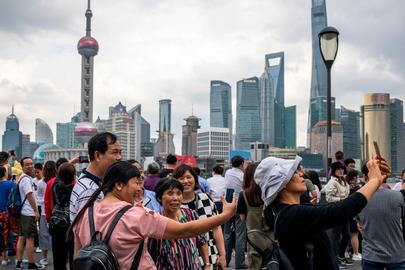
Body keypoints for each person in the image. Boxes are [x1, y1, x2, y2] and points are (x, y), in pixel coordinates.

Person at [70, 161, 237, 270]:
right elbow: (183, 230)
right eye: (136, 182)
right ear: (119, 185)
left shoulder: (85, 213)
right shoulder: (135, 215)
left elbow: (79, 256)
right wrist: (225, 215)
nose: (139, 188)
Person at [255, 155, 390, 270]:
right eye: (294, 172)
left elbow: (340, 206)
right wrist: (373, 180)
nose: (301, 174)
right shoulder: (291, 214)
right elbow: (340, 211)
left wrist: (375, 181)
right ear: (281, 183)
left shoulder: (283, 212)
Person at [174, 164, 227, 269]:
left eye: (189, 177)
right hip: (184, 257)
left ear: (195, 179)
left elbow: (216, 228)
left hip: (210, 254)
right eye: (181, 178)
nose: (185, 181)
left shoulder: (205, 199)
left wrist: (222, 255)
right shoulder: (174, 204)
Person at [150, 178, 210, 269]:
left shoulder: (191, 214)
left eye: (179, 193)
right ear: (159, 197)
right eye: (170, 193)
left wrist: (207, 264)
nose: (175, 198)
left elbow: (202, 241)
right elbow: (150, 253)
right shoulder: (155, 222)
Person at [357, 164, 405, 270]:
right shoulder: (398, 196)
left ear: (365, 176)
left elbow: (360, 226)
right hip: (396, 254)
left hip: (370, 255)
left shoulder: (357, 199)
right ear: (383, 176)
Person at [70, 132, 121, 222]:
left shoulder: (89, 182)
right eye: (114, 152)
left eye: (120, 152)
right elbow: (88, 231)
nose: (119, 157)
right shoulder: (89, 191)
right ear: (97, 155)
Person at [237, 164, 270, 270]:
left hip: (253, 239)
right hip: (270, 237)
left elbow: (242, 217)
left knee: (255, 265)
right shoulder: (269, 192)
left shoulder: (244, 195)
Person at [16, 157, 44, 270]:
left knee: (22, 237)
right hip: (28, 212)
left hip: (23, 212)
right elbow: (30, 195)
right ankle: (31, 264)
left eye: (31, 164)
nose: (30, 166)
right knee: (30, 239)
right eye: (27, 164)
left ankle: (19, 263)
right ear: (22, 166)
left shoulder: (22, 178)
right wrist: (36, 211)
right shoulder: (27, 179)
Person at [323, 161, 352, 267]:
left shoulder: (344, 182)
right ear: (334, 171)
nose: (341, 171)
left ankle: (340, 256)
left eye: (342, 169)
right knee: (334, 237)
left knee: (346, 236)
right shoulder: (332, 182)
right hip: (335, 211)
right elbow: (328, 198)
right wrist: (342, 198)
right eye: (338, 169)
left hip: (344, 212)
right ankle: (334, 260)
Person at [224, 155, 247, 269]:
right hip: (239, 206)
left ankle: (225, 260)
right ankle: (240, 264)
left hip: (228, 205)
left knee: (227, 234)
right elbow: (245, 190)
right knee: (240, 235)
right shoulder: (243, 175)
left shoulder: (228, 172)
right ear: (242, 163)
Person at [52, 162, 76, 270]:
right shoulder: (76, 189)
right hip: (71, 228)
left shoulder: (55, 186)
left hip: (56, 225)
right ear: (74, 176)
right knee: (73, 258)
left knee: (58, 259)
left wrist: (70, 163)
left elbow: (59, 176)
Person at [36, 162, 53, 266]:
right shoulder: (55, 181)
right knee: (49, 235)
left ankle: (44, 258)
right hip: (50, 212)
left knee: (44, 235)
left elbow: (39, 199)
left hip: (44, 212)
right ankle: (47, 257)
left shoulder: (41, 182)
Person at [44, 157, 69, 222]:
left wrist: (48, 217)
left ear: (56, 168)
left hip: (55, 216)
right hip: (70, 216)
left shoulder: (50, 182)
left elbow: (47, 202)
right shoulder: (74, 181)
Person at [0, 166, 15, 266]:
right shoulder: (12, 184)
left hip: (0, 213)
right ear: (5, 173)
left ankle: (4, 258)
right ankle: (18, 258)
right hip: (10, 212)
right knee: (14, 233)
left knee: (2, 235)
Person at [346, 170, 362, 261]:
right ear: (355, 177)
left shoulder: (345, 186)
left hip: (346, 212)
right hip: (354, 212)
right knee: (354, 233)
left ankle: (346, 252)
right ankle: (356, 253)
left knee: (346, 234)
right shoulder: (356, 188)